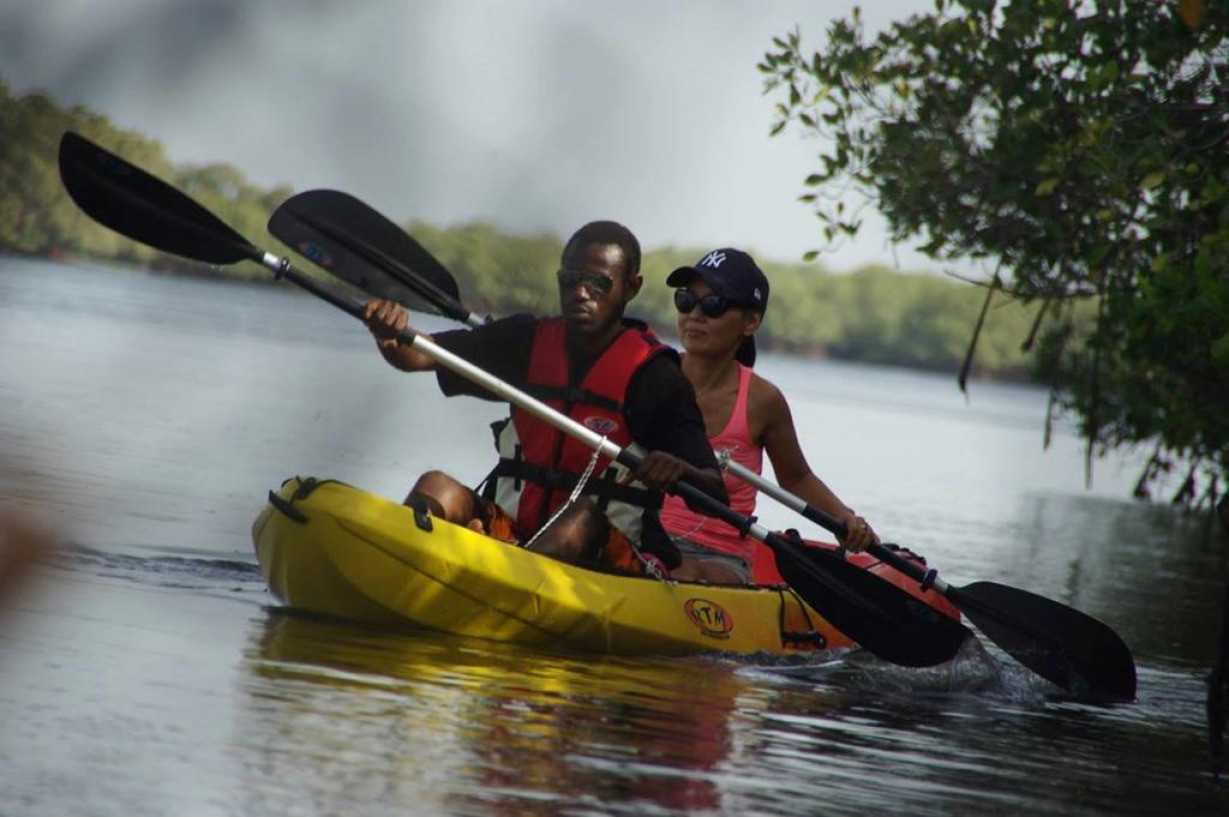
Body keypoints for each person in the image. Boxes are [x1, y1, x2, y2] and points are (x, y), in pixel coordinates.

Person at [362, 221, 727, 576]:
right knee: (436, 486)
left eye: (598, 283)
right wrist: (391, 337)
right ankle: (394, 569)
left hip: (607, 558)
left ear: (631, 287)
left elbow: (714, 492)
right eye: (570, 280)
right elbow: (419, 356)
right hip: (514, 532)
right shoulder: (524, 341)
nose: (580, 293)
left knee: (581, 517)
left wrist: (679, 470)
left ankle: (502, 582)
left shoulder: (657, 377)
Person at [658, 248, 879, 585]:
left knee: (681, 572)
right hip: (647, 537)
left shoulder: (762, 401)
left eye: (713, 304)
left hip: (718, 557)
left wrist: (845, 519)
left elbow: (797, 479)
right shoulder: (652, 374)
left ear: (750, 322)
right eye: (686, 300)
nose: (695, 315)